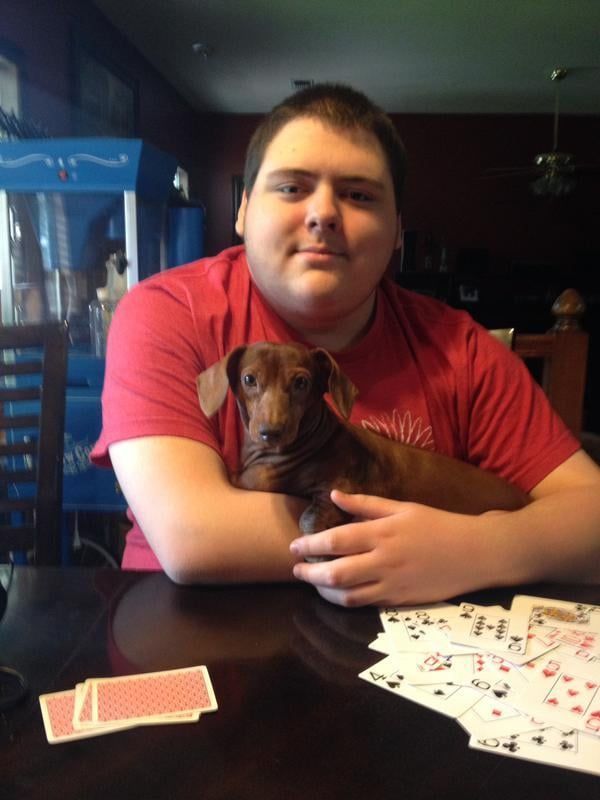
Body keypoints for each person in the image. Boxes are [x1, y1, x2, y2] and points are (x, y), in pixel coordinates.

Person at [91, 83, 600, 607]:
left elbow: (592, 523)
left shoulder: (463, 350)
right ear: (243, 209)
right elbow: (195, 540)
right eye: (292, 188)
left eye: (359, 195)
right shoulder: (167, 314)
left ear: (398, 230)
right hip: (191, 635)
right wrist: (410, 546)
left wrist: (471, 547)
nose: (324, 214)